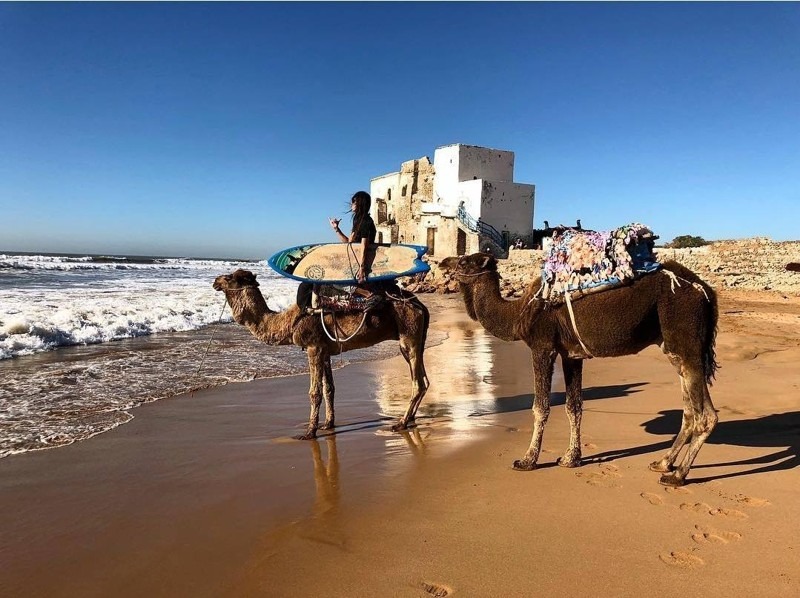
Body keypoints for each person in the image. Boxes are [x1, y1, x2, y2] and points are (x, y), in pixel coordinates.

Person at [296, 191, 377, 310]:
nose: (351, 204)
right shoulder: (357, 220)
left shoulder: (366, 221)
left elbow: (364, 245)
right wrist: (336, 229)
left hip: (360, 262)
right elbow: (349, 243)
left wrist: (362, 267)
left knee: (335, 281)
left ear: (360, 203)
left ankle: (369, 295)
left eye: (354, 201)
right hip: (353, 260)